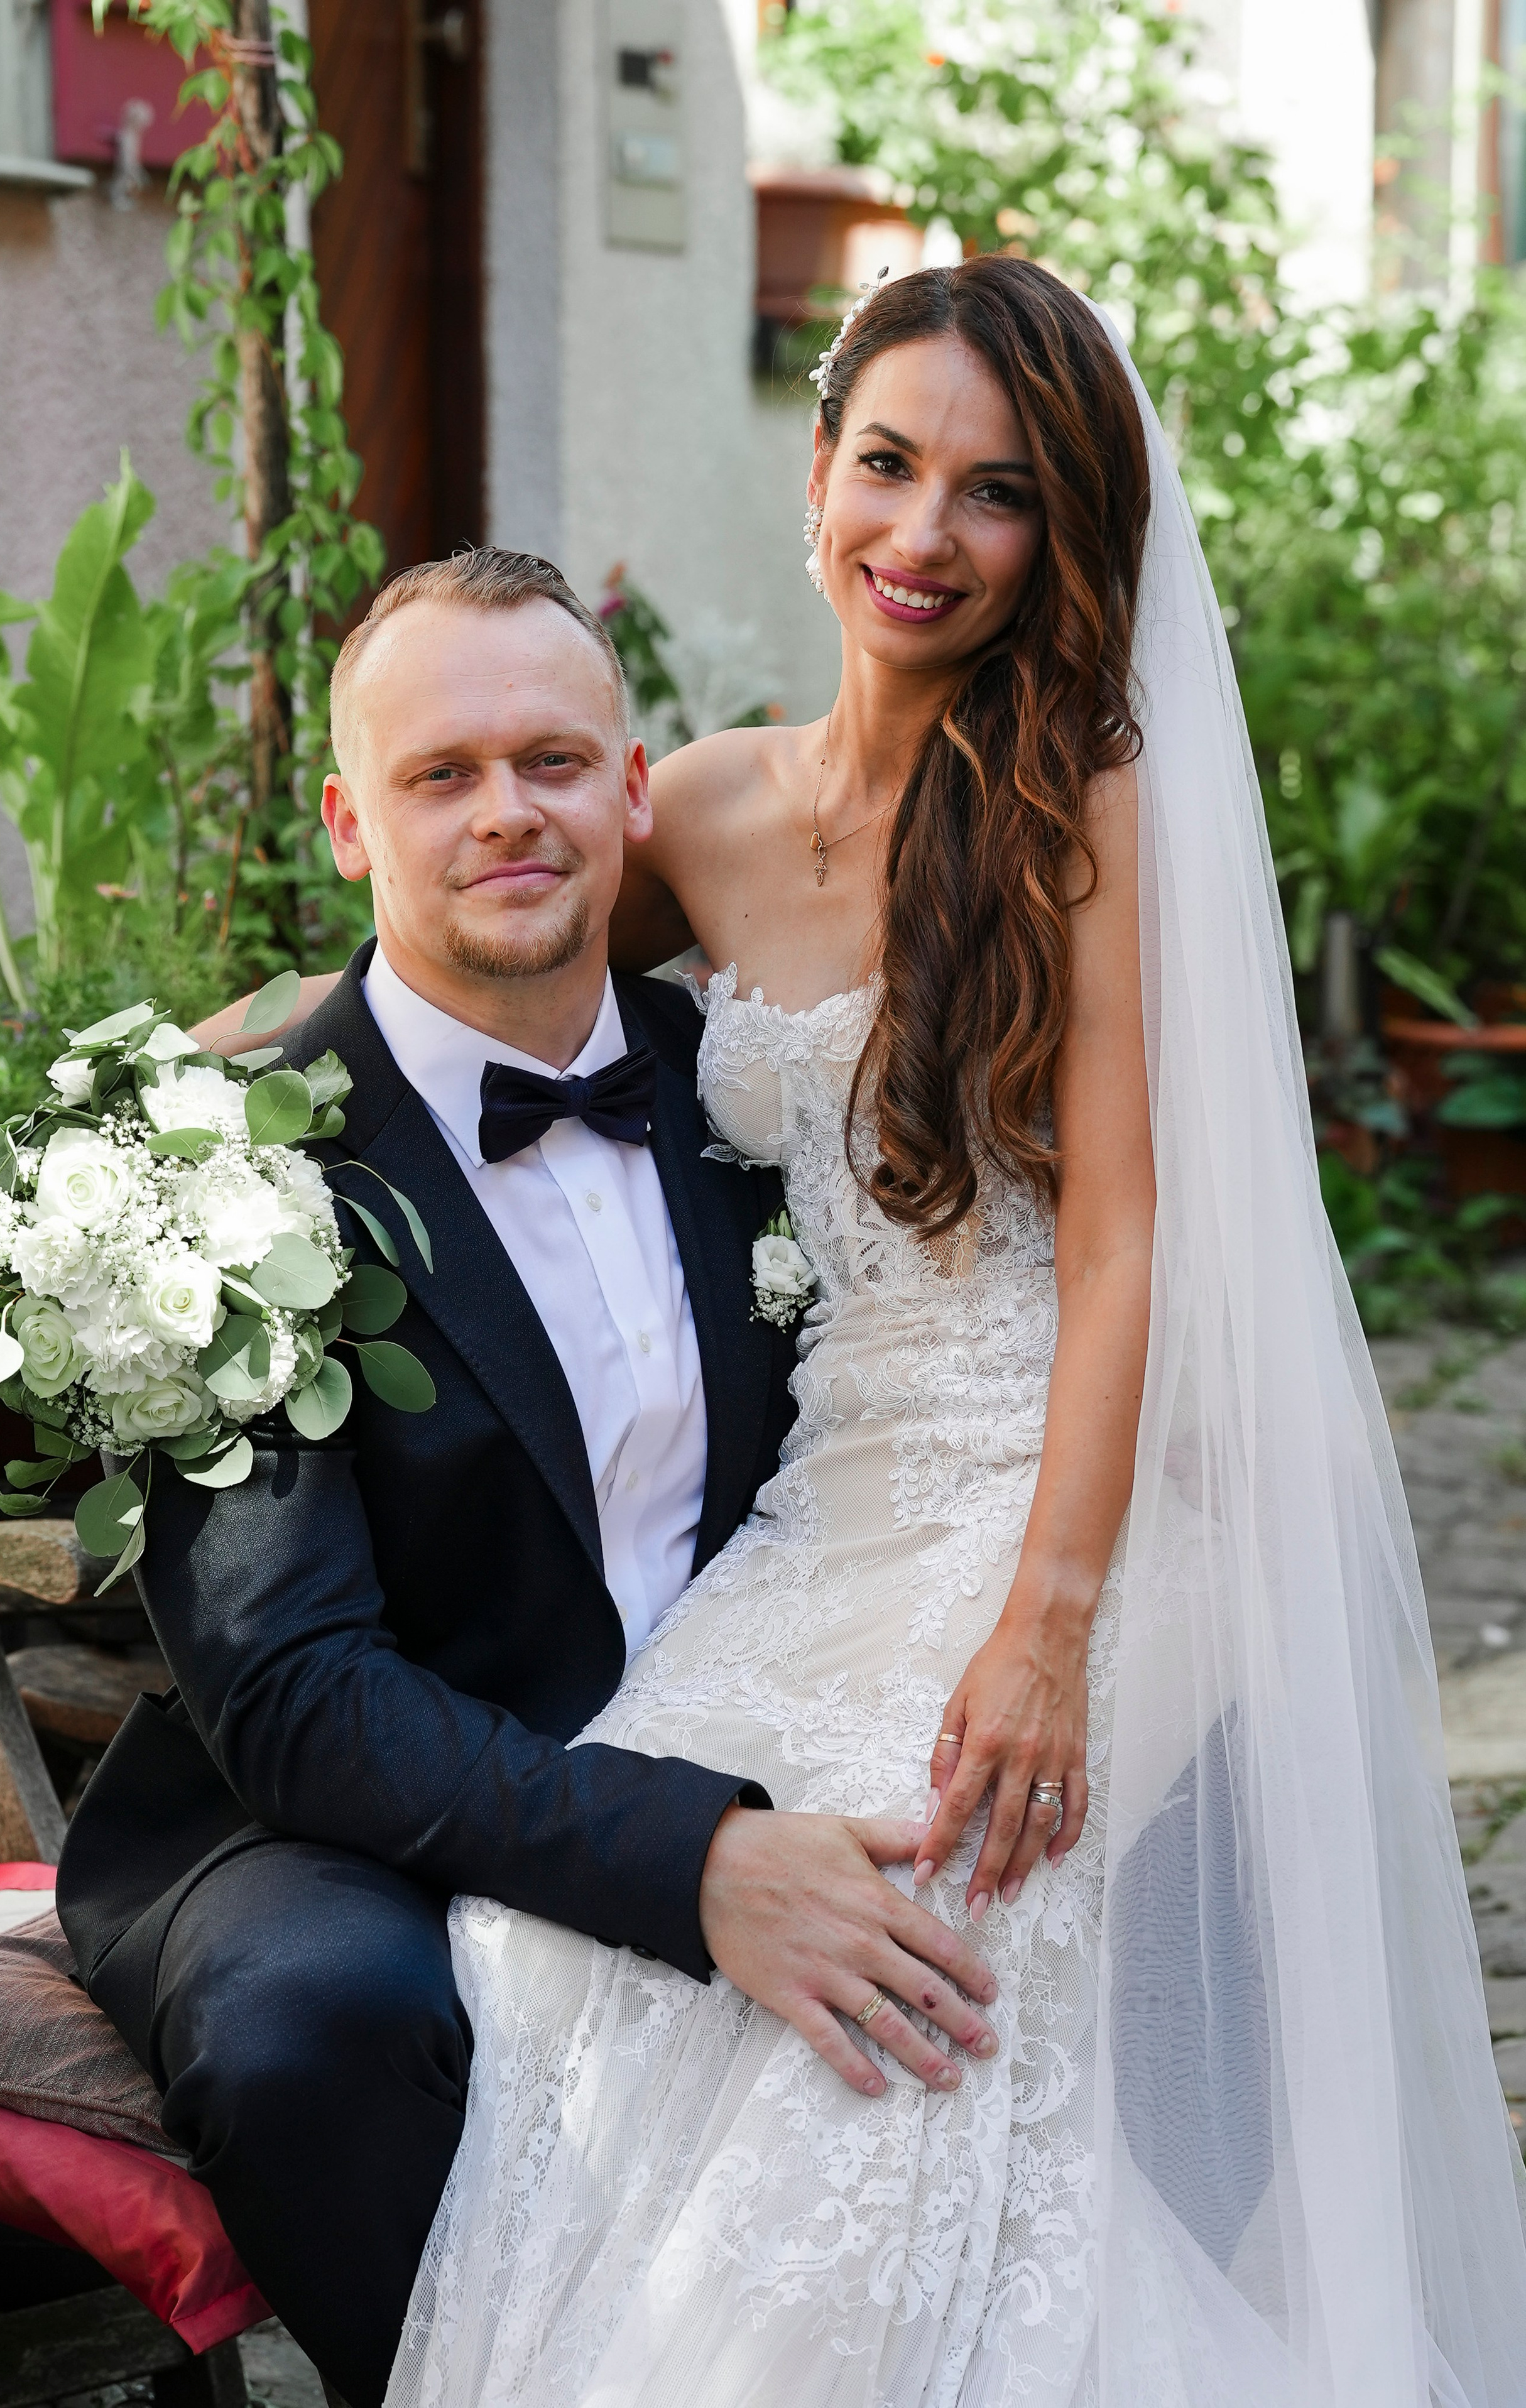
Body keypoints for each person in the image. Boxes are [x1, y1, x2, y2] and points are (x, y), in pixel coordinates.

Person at [362, 259, 1522, 2404]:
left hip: (1086, 1504)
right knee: (564, 1933)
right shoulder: (703, 811)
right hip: (832, 1511)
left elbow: (1125, 1244)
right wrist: (181, 1093)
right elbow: (454, 975)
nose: (924, 533)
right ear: (816, 473)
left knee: (890, 1975)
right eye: (888, 464)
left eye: (995, 494)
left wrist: (1049, 1627)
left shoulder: (1093, 810)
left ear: (1061, 537)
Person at [54, 547, 1006, 2408]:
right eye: (442, 774)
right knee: (307, 2029)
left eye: (554, 761)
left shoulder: (749, 1090)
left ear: (632, 792)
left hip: (757, 1711)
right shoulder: (210, 1182)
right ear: (351, 824)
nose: (509, 812)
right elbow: (295, 1690)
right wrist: (695, 1858)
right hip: (337, 1820)